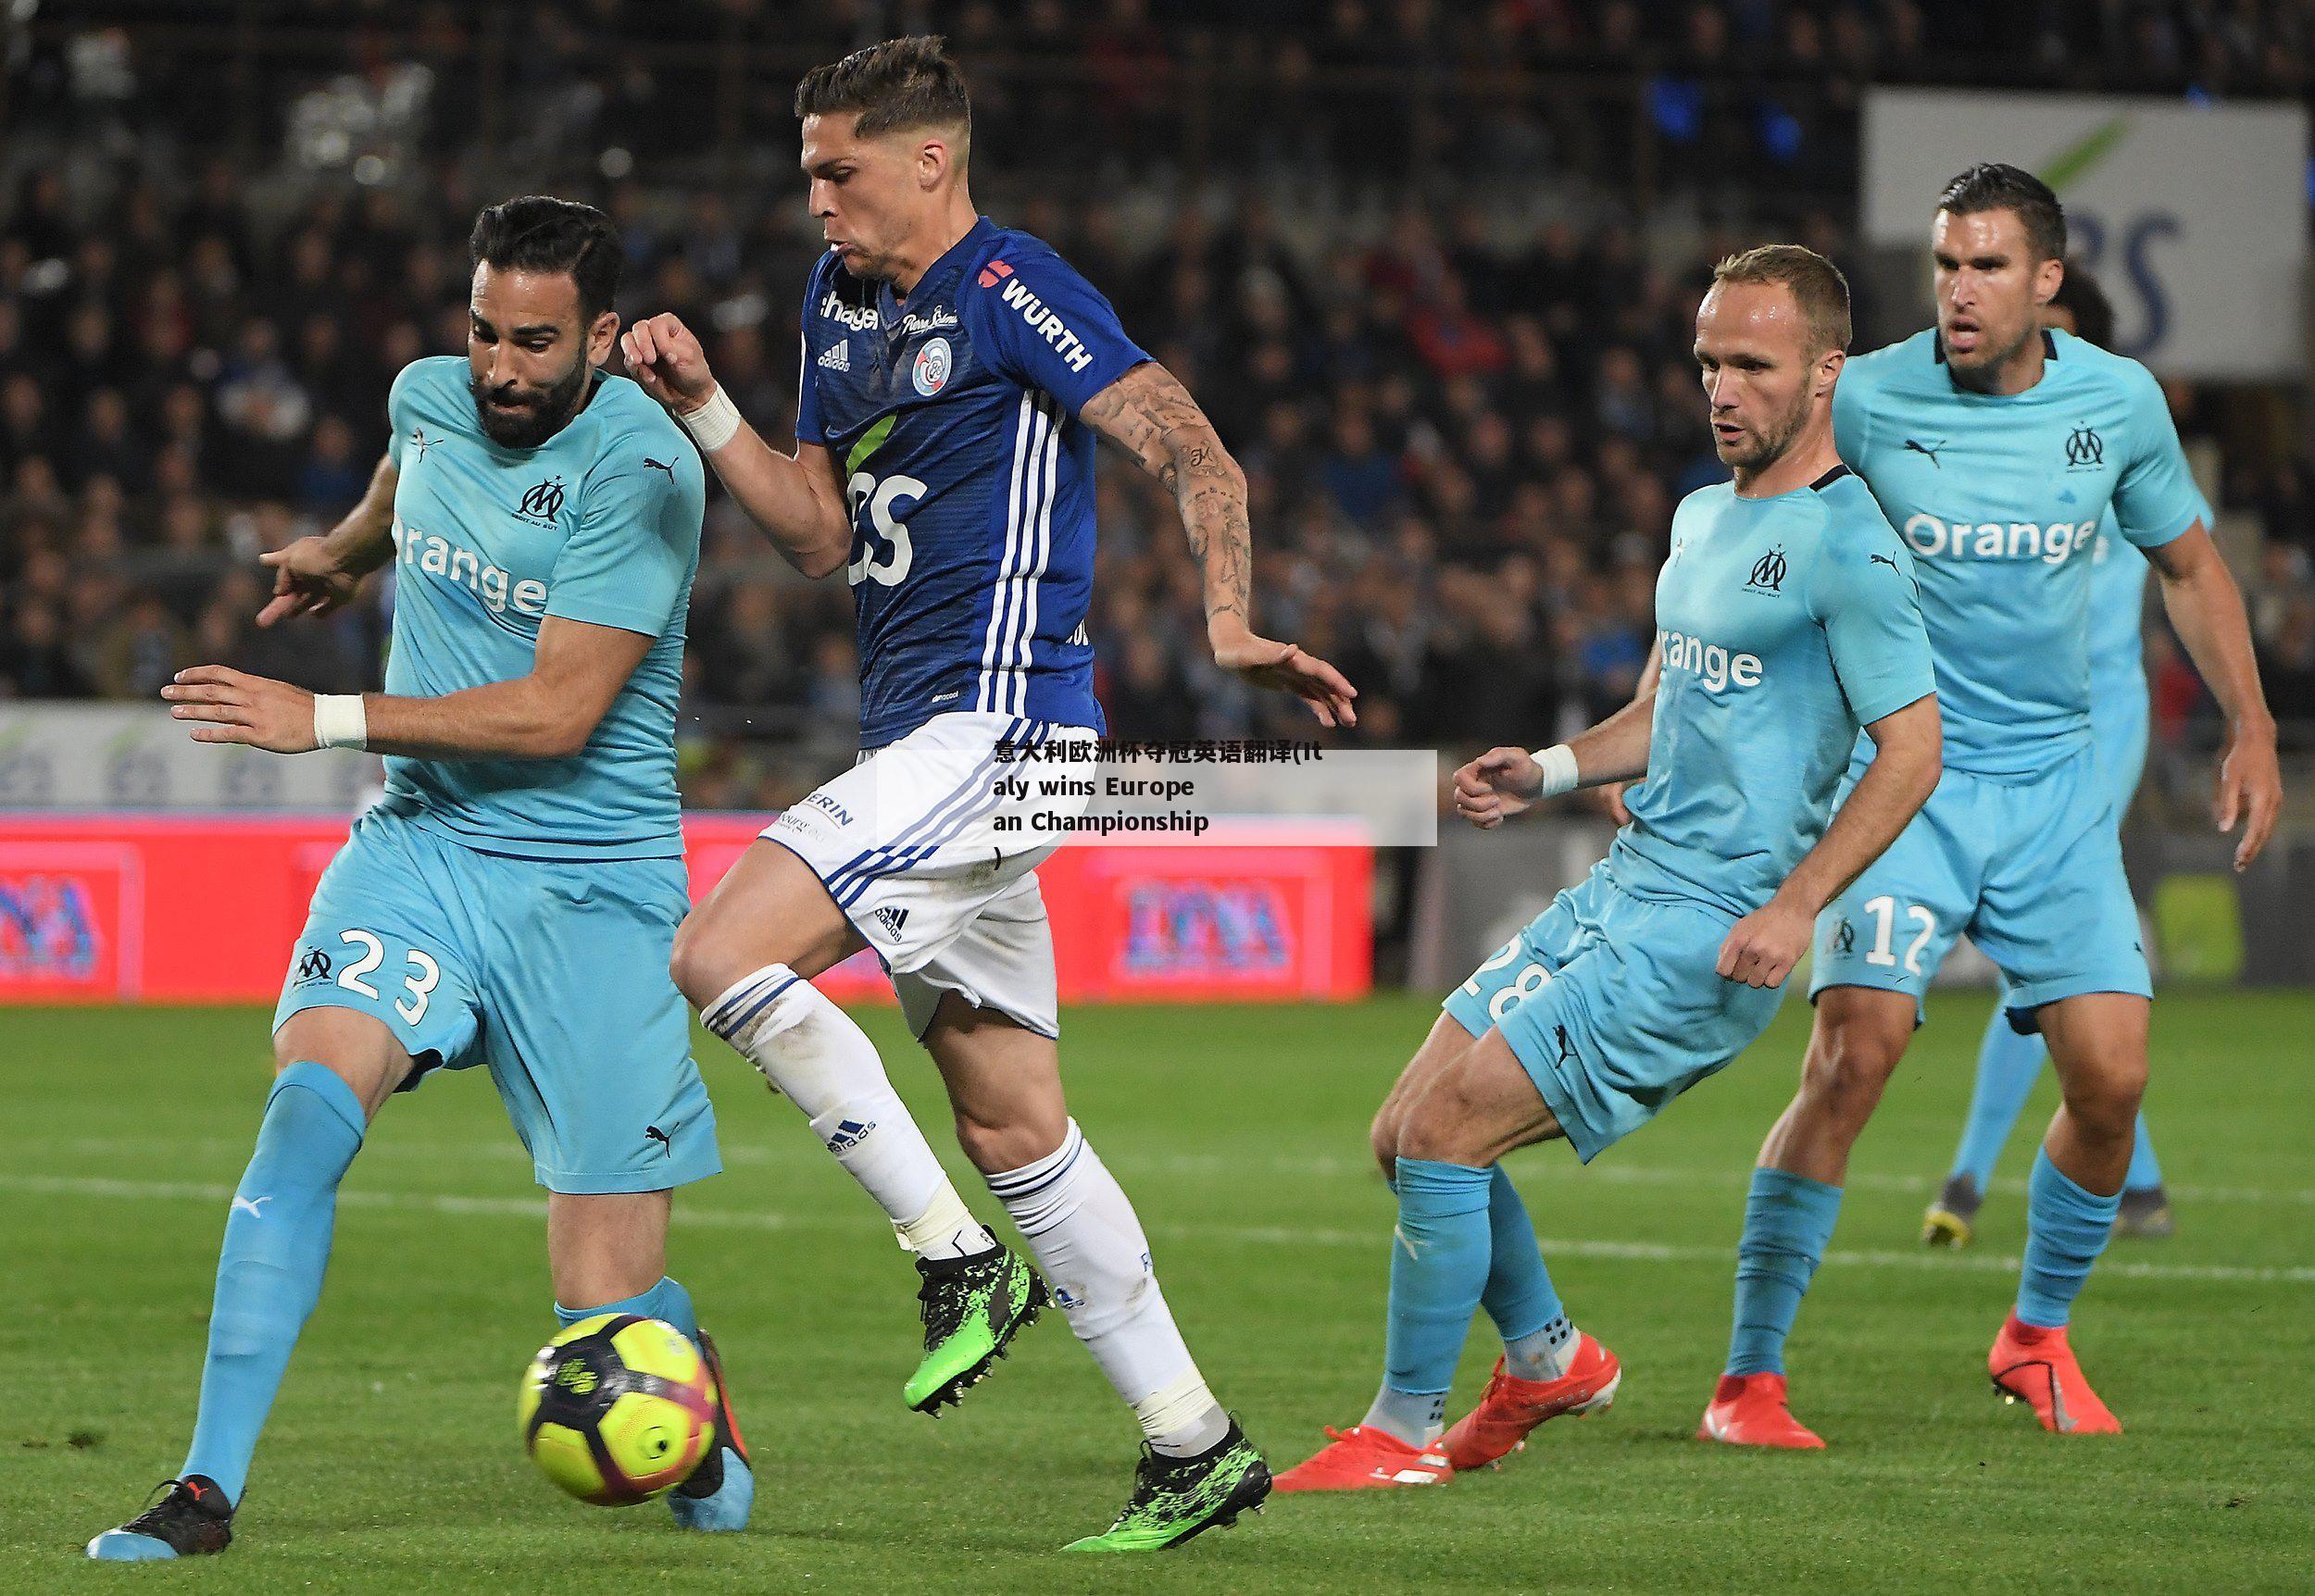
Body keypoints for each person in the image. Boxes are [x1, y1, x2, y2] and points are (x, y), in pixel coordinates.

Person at [619, 37, 1354, 1552]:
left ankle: (954, 1253)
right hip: (930, 744)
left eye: (842, 169)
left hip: (1003, 734)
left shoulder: (1017, 287)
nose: (814, 196)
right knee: (1014, 1116)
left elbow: (1189, 445)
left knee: (716, 949)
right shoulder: (838, 305)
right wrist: (703, 405)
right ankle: (1193, 1439)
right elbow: (817, 533)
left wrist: (1224, 619)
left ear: (932, 163)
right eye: (809, 166)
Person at [87, 196, 751, 1559]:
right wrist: (342, 553)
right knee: (306, 1115)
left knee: (600, 1307)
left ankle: (687, 1393)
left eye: (536, 344)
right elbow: (407, 482)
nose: (501, 368)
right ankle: (205, 1490)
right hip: (424, 849)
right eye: (484, 332)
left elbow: (559, 711)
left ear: (605, 338)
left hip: (592, 884)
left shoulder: (645, 471)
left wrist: (319, 717)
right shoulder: (430, 394)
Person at [1273, 244, 1940, 1493]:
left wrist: (1798, 907)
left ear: (1826, 373)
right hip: (1627, 885)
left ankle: (1399, 1432)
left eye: (1754, 363)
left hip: (1714, 924)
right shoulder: (1702, 517)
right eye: (1708, 363)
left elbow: (1916, 749)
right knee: (1401, 1133)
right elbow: (1660, 706)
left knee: (1447, 1133)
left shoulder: (1856, 545)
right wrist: (1552, 771)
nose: (1723, 389)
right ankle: (1546, 1358)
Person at [1702, 166, 2281, 1450]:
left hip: (2058, 795)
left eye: (1988, 268)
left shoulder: (2119, 407)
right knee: (1855, 1054)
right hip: (1908, 786)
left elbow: (2190, 564)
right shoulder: (1868, 394)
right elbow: (1740, 538)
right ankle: (1748, 1379)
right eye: (1947, 265)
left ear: (2047, 282)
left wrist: (2249, 721)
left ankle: (2034, 1337)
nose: (1958, 292)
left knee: (2113, 1082)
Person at [1922, 264, 2183, 1248]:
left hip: (2100, 720)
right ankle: (2142, 1181)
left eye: (2064, 334)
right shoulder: (1985, 446)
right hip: (2007, 722)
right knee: (2060, 960)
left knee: (2035, 954)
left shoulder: (2119, 432)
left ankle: (1967, 1176)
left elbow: (2189, 567)